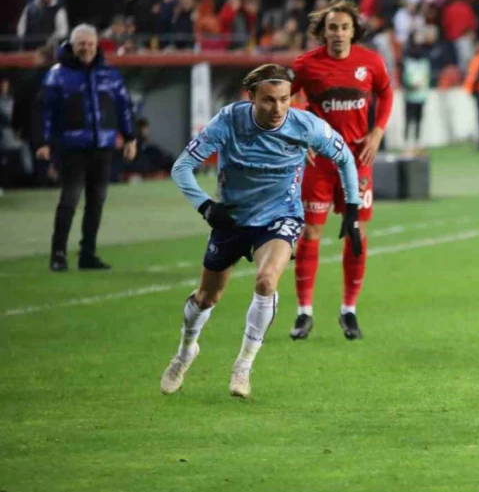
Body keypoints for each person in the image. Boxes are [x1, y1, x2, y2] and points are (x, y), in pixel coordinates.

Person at [161, 64, 363, 399]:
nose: (278, 108)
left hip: (280, 216)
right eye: (269, 100)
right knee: (206, 298)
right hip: (232, 219)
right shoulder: (228, 120)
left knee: (266, 281)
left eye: (284, 99)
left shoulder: (306, 125)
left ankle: (243, 365)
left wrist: (352, 209)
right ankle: (185, 352)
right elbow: (181, 166)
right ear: (251, 96)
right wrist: (206, 207)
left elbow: (345, 158)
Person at [289, 0, 394, 341]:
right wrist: (297, 138)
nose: (338, 33)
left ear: (353, 31)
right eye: (332, 27)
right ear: (323, 31)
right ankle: (304, 312)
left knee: (356, 235)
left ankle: (349, 310)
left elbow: (386, 93)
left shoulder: (370, 62)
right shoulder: (307, 65)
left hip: (357, 161)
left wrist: (377, 132)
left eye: (344, 27)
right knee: (310, 234)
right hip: (319, 162)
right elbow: (282, 98)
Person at [33, 25, 136, 271]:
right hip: (71, 147)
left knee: (96, 201)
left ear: (97, 45)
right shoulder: (57, 75)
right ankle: (58, 254)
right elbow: (43, 111)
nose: (86, 47)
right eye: (82, 43)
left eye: (90, 43)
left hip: (102, 147)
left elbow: (123, 107)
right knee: (69, 200)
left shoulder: (110, 74)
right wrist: (42, 142)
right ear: (72, 45)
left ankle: (87, 255)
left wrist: (130, 138)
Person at [402, 28, 432, 150]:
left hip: (420, 94)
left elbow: (426, 76)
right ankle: (407, 142)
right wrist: (410, 85)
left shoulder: (424, 62)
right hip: (410, 95)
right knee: (409, 119)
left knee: (418, 119)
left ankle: (417, 141)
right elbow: (405, 78)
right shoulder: (408, 62)